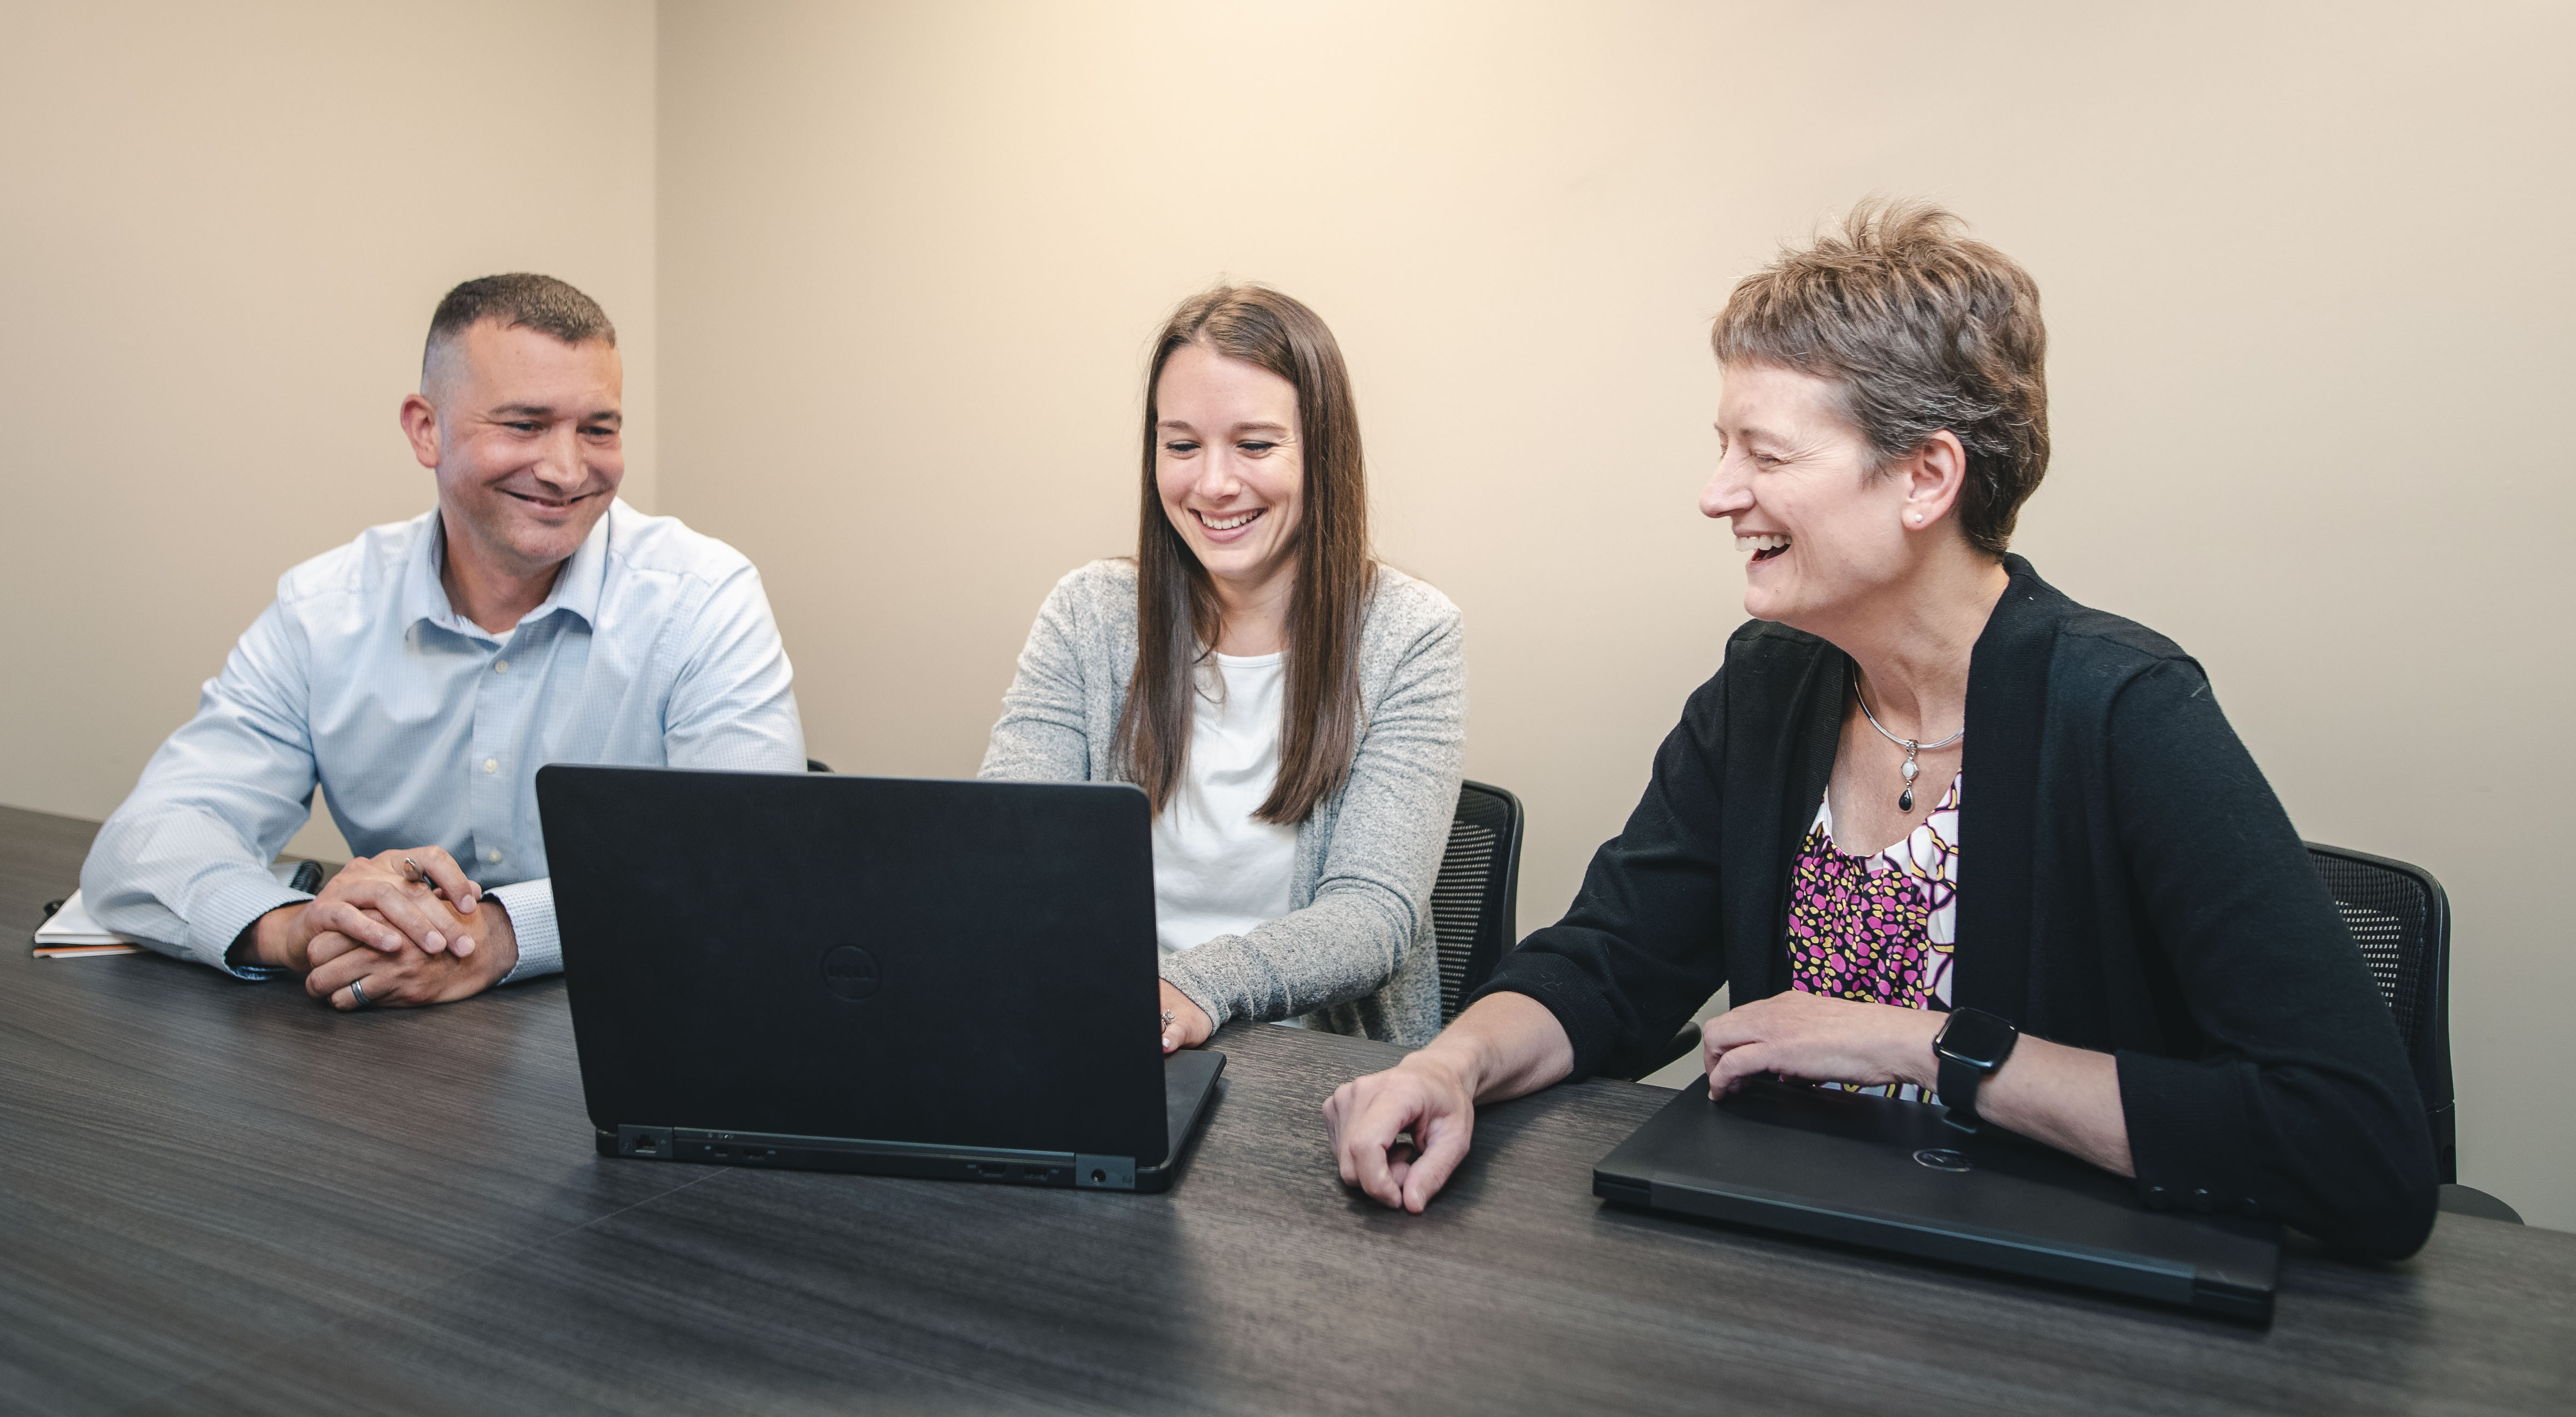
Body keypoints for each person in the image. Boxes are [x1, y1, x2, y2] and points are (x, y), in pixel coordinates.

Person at [1321, 202, 2439, 1258]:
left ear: (1926, 475)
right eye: (1724, 446)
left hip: (2056, 1305)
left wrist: (1921, 1044)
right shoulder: (1768, 688)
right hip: (1801, 1259)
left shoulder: (2125, 712)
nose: (1718, 493)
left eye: (1765, 454)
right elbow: (1611, 962)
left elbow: (2358, 1147)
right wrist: (1452, 1064)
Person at [81, 273, 805, 1009]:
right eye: (524, 425)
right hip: (386, 1046)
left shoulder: (703, 597)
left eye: (598, 428)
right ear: (427, 428)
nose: (565, 470)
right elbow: (145, 842)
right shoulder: (323, 611)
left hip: (640, 1025)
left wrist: (498, 935)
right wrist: (295, 929)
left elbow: (751, 867)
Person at [980, 285, 1465, 1051]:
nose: (1212, 483)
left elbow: (1371, 918)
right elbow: (1001, 850)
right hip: (1108, 1038)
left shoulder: (1410, 633)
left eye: (1255, 444)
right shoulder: (1089, 614)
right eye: (1181, 445)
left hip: (1311, 1068)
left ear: (1322, 452)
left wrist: (1190, 987)